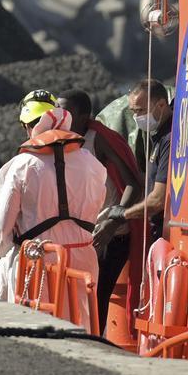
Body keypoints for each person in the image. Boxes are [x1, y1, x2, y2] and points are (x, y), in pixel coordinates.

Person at [0, 90, 106, 328]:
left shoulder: (21, 165)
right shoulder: (92, 164)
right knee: (81, 328)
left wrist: (3, 246)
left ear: (28, 127)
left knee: (24, 325)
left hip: (36, 262)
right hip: (83, 261)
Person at [58, 88, 144, 330]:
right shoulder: (57, 139)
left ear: (85, 116)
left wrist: (112, 222)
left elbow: (133, 184)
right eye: (57, 110)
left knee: (96, 296)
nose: (60, 116)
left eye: (67, 111)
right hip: (79, 236)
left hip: (108, 236)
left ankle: (94, 346)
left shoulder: (99, 139)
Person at [93, 79, 171, 260]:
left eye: (141, 111)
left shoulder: (169, 138)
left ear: (161, 104)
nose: (137, 118)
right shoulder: (156, 135)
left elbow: (157, 200)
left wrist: (122, 214)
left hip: (164, 230)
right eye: (133, 112)